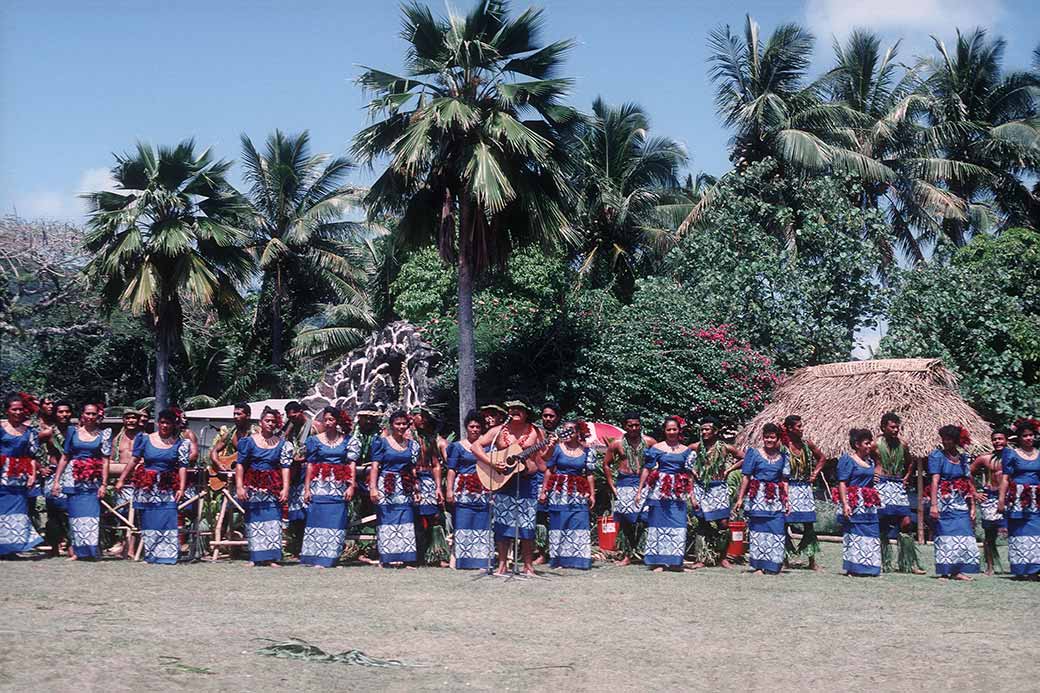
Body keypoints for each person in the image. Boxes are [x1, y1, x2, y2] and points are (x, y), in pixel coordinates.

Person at [473, 400, 545, 576]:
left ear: (526, 412)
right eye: (511, 409)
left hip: (527, 481)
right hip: (503, 482)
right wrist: (491, 462)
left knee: (527, 525)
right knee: (502, 524)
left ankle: (528, 566)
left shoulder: (536, 431)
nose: (514, 411)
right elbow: (476, 446)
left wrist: (550, 446)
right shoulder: (498, 431)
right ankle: (502, 565)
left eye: (519, 409)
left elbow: (545, 457)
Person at [113, 409, 190, 565]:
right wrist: (121, 479)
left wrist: (181, 488)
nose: (165, 426)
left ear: (174, 425)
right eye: (162, 422)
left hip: (167, 486)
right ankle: (151, 555)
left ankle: (168, 555)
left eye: (168, 423)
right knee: (149, 520)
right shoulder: (145, 439)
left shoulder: (180, 443)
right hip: (147, 486)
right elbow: (134, 460)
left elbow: (182, 467)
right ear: (158, 423)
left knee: (167, 518)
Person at [50, 403, 111, 560]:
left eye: (93, 414)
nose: (90, 417)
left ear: (98, 416)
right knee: (75, 517)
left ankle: (92, 551)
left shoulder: (104, 434)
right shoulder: (72, 432)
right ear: (82, 415)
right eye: (87, 413)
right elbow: (65, 457)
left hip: (93, 479)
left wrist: (104, 484)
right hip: (73, 478)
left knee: (91, 516)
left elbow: (105, 461)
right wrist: (56, 481)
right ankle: (78, 552)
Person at [637, 416, 698, 572]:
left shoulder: (686, 451)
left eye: (674, 429)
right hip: (659, 490)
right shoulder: (656, 448)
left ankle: (675, 562)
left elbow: (689, 475)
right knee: (658, 525)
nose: (671, 432)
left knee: (679, 525)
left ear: (679, 431)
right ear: (664, 431)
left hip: (678, 491)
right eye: (668, 429)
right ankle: (658, 562)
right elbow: (646, 469)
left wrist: (692, 495)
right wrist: (640, 491)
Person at [234, 407, 292, 567]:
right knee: (254, 520)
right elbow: (240, 464)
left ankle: (272, 557)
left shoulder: (282, 443)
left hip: (273, 484)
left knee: (272, 520)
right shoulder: (248, 441)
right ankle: (255, 557)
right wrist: (239, 486)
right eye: (267, 421)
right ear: (260, 422)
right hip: (253, 483)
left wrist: (285, 488)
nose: (270, 424)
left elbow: (285, 467)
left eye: (273, 421)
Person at [300, 407, 356, 568]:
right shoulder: (314, 440)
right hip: (319, 484)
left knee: (336, 520)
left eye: (331, 419)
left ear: (337, 421)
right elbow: (310, 465)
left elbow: (351, 464)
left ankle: (330, 558)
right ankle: (313, 557)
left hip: (338, 484)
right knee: (317, 518)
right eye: (325, 420)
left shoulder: (348, 440)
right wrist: (307, 489)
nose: (328, 423)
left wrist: (351, 486)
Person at [734, 423, 790, 575]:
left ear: (777, 439)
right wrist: (740, 498)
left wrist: (786, 501)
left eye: (772, 437)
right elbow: (746, 477)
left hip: (776, 499)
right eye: (766, 437)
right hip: (757, 496)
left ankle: (773, 565)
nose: (769, 440)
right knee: (758, 531)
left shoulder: (784, 457)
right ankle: (758, 566)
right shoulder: (753, 453)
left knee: (777, 530)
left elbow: (784, 480)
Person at [873, 412, 925, 574]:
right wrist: (871, 474)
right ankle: (882, 561)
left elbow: (910, 462)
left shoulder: (903, 444)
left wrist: (906, 477)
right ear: (883, 427)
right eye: (892, 427)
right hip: (881, 484)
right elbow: (862, 460)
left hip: (897, 485)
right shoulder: (875, 444)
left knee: (906, 522)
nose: (896, 430)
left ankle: (908, 563)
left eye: (897, 427)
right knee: (881, 522)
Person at [539, 421, 595, 570]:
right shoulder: (557, 449)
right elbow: (549, 470)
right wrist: (544, 491)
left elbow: (590, 474)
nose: (567, 433)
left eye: (571, 430)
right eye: (564, 430)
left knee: (579, 521)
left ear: (577, 433)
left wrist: (592, 494)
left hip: (578, 491)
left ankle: (579, 560)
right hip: (559, 490)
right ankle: (559, 560)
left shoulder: (587, 451)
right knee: (559, 523)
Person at [602, 412, 656, 566]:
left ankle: (644, 552)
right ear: (624, 426)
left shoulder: (650, 442)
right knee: (626, 521)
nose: (634, 428)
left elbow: (660, 460)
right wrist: (612, 485)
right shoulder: (617, 444)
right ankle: (627, 555)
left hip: (644, 483)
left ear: (640, 425)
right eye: (630, 425)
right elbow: (606, 464)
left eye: (637, 425)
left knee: (645, 519)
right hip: (624, 483)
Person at [927, 425, 980, 581]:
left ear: (956, 440)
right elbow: (935, 481)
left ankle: (958, 571)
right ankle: (944, 571)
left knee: (964, 534)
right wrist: (934, 505)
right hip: (943, 501)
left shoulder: (963, 458)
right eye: (944, 439)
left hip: (960, 501)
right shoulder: (937, 456)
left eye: (949, 439)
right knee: (944, 535)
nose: (946, 442)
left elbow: (968, 482)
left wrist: (972, 506)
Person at [690, 416, 743, 569]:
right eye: (702, 429)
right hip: (701, 488)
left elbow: (744, 458)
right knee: (702, 522)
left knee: (723, 523)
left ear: (715, 431)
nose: (704, 432)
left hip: (719, 487)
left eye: (707, 429)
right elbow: (682, 459)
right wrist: (693, 471)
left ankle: (723, 557)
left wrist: (729, 470)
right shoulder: (696, 447)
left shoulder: (725, 447)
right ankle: (701, 558)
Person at [369, 410, 420, 567]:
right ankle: (387, 558)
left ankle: (406, 558)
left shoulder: (413, 445)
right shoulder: (381, 443)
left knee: (406, 518)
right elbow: (375, 467)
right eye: (398, 424)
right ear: (391, 425)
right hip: (386, 484)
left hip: (405, 485)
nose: (401, 427)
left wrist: (416, 489)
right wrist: (373, 488)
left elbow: (412, 469)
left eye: (404, 424)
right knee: (387, 519)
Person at [445, 410, 493, 570]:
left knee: (482, 522)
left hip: (483, 488)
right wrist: (449, 490)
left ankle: (482, 560)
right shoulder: (457, 447)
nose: (475, 430)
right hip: (463, 488)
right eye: (472, 426)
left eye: (478, 427)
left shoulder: (488, 447)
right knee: (463, 521)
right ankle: (461, 560)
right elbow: (451, 470)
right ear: (466, 427)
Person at [780, 415, 826, 571]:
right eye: (798, 426)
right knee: (784, 523)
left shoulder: (807, 444)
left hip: (804, 489)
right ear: (790, 428)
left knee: (808, 524)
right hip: (788, 487)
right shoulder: (783, 446)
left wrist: (815, 473)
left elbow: (822, 458)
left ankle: (812, 560)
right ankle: (784, 559)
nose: (802, 429)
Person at [833, 429, 882, 576]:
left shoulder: (870, 461)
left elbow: (873, 478)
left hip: (868, 503)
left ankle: (871, 568)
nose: (869, 446)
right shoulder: (848, 460)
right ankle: (854, 568)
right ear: (857, 444)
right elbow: (842, 483)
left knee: (871, 533)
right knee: (855, 534)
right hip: (854, 502)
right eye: (866, 443)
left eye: (870, 442)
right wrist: (845, 504)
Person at [0, 393, 43, 557]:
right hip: (2, 474)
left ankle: (13, 547)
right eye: (14, 409)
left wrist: (32, 476)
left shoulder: (30, 432)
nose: (18, 412)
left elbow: (32, 456)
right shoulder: (1, 428)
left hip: (20, 476)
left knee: (18, 511)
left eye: (20, 409)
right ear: (7, 410)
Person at [997, 419, 1040, 579]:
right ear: (1019, 438)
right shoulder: (1011, 454)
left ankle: (1035, 569)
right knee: (1019, 531)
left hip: (1036, 499)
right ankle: (1021, 570)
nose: (1028, 438)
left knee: (1036, 531)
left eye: (1031, 435)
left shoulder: (1039, 454)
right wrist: (1001, 499)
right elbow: (1005, 478)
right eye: (1025, 436)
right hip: (1017, 498)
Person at [411, 406, 447, 566]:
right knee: (416, 517)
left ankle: (435, 554)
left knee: (433, 517)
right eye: (421, 416)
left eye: (427, 417)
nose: (424, 420)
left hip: (428, 480)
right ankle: (417, 555)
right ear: (413, 417)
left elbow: (436, 464)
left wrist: (438, 487)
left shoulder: (429, 438)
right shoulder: (405, 437)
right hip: (410, 479)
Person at [971, 429, 1008, 575]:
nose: (997, 441)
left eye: (1000, 439)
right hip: (990, 498)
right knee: (989, 534)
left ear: (1006, 440)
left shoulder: (1014, 457)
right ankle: (990, 567)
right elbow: (967, 473)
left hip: (1009, 498)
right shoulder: (985, 459)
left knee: (1016, 532)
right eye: (994, 439)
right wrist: (975, 492)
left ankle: (1021, 566)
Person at [41, 400, 73, 556]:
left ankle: (71, 544)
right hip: (53, 474)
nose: (64, 414)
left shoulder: (75, 431)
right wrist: (40, 467)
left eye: (67, 411)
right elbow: (29, 448)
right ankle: (54, 545)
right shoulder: (48, 432)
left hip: (72, 474)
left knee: (69, 510)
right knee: (54, 511)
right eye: (60, 412)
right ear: (54, 414)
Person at [533, 402, 562, 565]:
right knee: (540, 518)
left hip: (559, 482)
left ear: (557, 417)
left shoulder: (565, 435)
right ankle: (541, 552)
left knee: (558, 516)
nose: (548, 419)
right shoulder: (536, 434)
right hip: (538, 480)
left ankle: (558, 552)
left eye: (551, 416)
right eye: (545, 415)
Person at [282, 401, 312, 557]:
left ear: (301, 412)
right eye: (289, 416)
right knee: (295, 512)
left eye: (294, 415)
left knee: (306, 510)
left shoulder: (313, 427)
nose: (292, 418)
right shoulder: (292, 427)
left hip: (307, 473)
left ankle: (307, 546)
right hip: (295, 474)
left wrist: (304, 458)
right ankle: (296, 545)